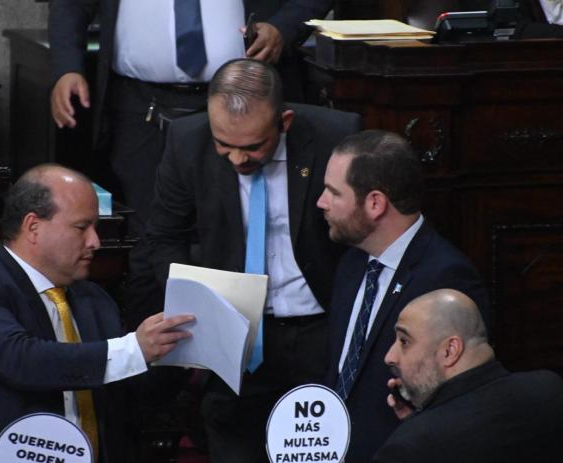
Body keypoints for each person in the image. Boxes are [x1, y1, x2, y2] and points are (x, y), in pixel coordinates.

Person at [145, 58, 361, 463]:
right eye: (223, 145)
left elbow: (362, 236)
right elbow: (163, 237)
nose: (237, 160)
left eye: (252, 147)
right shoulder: (186, 141)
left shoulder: (336, 136)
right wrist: (193, 304)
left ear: (285, 121)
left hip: (319, 326)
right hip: (234, 330)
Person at [0, 164, 194, 463]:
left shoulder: (95, 301)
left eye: (96, 228)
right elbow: (19, 359)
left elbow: (131, 395)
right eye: (82, 227)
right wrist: (134, 348)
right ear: (33, 227)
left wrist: (181, 352)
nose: (95, 242)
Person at [48, 0, 333, 237]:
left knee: (244, 232)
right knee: (149, 237)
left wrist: (283, 28)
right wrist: (66, 67)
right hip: (140, 110)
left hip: (244, 106)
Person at [316, 130, 489, 463]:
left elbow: (458, 402)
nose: (321, 201)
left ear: (375, 204)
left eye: (334, 192)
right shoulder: (351, 262)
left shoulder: (446, 279)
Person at [374, 289, 563, 463]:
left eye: (404, 341)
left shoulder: (407, 449)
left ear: (449, 350)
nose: (389, 357)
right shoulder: (550, 389)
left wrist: (419, 429)